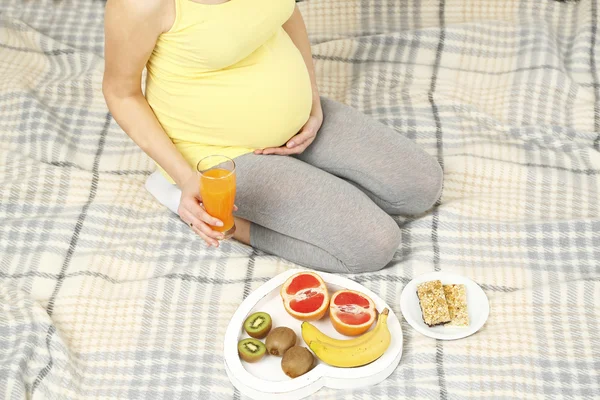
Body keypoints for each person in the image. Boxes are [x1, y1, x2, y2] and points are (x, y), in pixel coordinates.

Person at [102, 0, 443, 274]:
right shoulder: (141, 5)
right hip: (221, 154)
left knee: (421, 185)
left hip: (300, 126)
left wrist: (310, 101)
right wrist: (187, 177)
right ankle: (220, 214)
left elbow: (286, 12)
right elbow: (121, 93)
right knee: (374, 244)